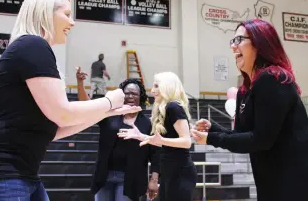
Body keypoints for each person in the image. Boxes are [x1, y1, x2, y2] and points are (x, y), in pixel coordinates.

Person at [0, 0, 140, 201]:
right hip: (7, 177)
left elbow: (55, 129)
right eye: (67, 14)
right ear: (45, 13)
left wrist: (106, 113)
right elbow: (63, 114)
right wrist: (109, 101)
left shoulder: (29, 47)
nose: (72, 23)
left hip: (24, 176)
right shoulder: (33, 45)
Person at [191, 19, 308, 201]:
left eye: (239, 40)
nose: (233, 47)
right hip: (269, 183)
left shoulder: (273, 78)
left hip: (293, 184)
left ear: (260, 43)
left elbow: (261, 140)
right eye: (232, 41)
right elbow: (243, 135)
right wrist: (212, 129)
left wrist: (211, 138)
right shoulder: (245, 91)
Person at [76, 67, 161, 201]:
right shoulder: (110, 115)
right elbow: (88, 107)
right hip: (104, 176)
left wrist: (154, 179)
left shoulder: (147, 124)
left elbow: (155, 155)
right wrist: (80, 83)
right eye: (127, 93)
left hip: (131, 179)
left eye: (134, 94)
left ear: (141, 97)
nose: (130, 96)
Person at [118, 72, 197, 201]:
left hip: (180, 172)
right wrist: (141, 136)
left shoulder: (174, 107)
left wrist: (160, 140)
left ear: (167, 87)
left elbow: (186, 141)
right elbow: (163, 142)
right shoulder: (165, 108)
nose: (152, 90)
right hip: (169, 171)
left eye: (156, 86)